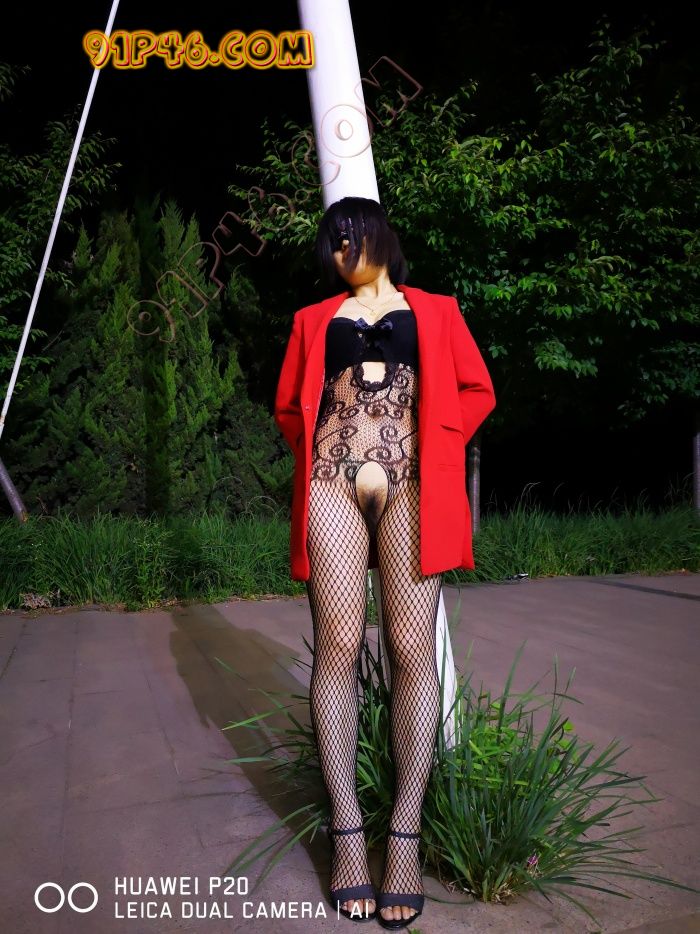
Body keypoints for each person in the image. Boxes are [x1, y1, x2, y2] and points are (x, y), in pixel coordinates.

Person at [273, 196, 496, 929]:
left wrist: (439, 437)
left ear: (382, 236)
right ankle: (346, 832)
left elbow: (477, 389)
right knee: (337, 646)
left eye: (355, 234)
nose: (345, 247)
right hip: (333, 484)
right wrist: (321, 452)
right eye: (333, 241)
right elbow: (289, 407)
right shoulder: (313, 320)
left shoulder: (436, 310)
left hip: (414, 486)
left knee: (410, 649)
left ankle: (403, 836)